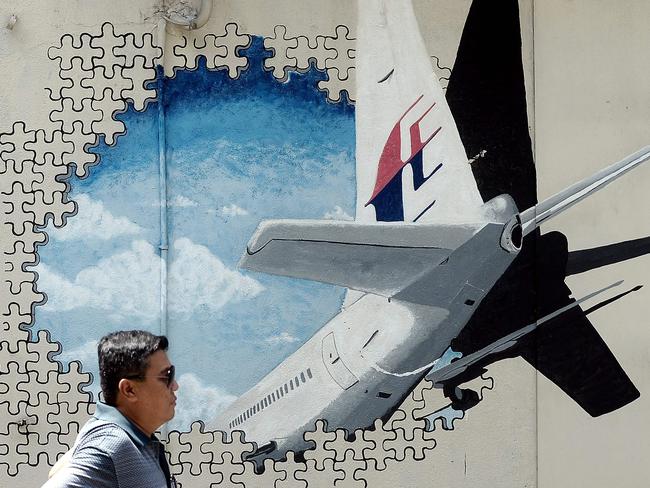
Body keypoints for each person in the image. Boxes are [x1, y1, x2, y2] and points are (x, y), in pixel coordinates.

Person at [44, 330, 179, 488]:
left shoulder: (132, 441)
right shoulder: (111, 445)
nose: (175, 385)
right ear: (129, 389)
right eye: (166, 376)